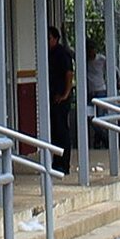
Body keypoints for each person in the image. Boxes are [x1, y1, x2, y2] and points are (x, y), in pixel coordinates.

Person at [47, 22, 76, 176]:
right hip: (52, 97)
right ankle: (56, 162)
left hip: (61, 98)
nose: (47, 41)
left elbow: (69, 75)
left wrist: (65, 94)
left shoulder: (62, 54)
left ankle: (64, 164)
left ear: (56, 39)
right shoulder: (48, 54)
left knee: (62, 131)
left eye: (49, 38)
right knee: (54, 131)